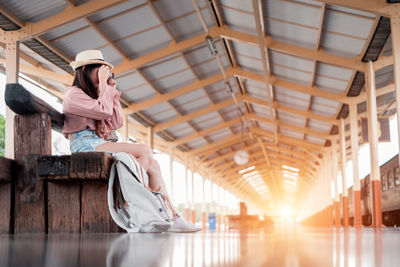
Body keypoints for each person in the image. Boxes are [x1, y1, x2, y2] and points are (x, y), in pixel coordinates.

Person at [62, 50, 200, 232]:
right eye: (100, 69)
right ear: (85, 69)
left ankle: (171, 216)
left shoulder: (96, 96)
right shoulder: (73, 94)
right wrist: (104, 85)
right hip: (83, 145)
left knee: (154, 165)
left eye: (106, 70)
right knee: (144, 151)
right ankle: (136, 206)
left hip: (96, 143)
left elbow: (117, 122)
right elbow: (103, 111)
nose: (104, 73)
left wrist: (112, 92)